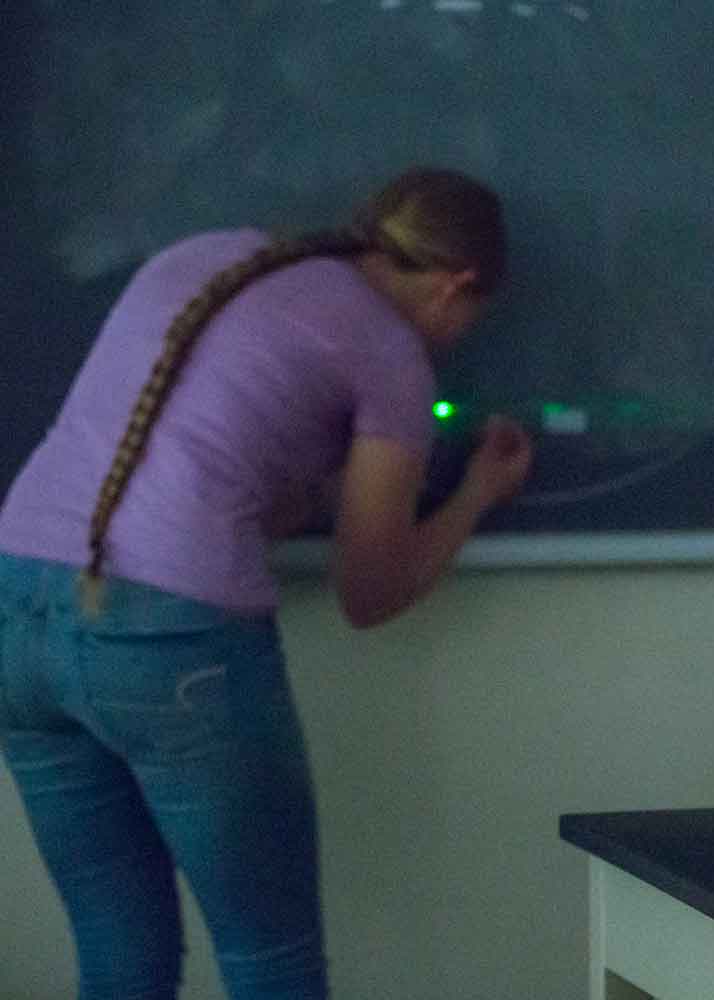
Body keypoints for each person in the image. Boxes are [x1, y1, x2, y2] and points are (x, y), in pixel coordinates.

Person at [0, 167, 533, 998]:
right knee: (270, 961)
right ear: (456, 285)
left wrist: (311, 488)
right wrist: (476, 493)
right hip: (170, 639)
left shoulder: (205, 256)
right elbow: (371, 591)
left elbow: (188, 458)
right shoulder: (389, 354)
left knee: (117, 947)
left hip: (17, 603)